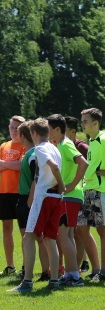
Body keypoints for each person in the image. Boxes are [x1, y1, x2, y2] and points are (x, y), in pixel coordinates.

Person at [10, 118, 65, 293]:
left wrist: (62, 184)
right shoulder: (55, 148)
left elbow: (54, 167)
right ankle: (54, 281)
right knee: (50, 239)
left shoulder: (41, 149)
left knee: (28, 237)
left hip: (44, 196)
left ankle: (27, 282)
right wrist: (61, 188)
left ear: (34, 133)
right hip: (56, 197)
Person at [47, 114, 87, 286]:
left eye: (48, 129)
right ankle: (72, 274)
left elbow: (83, 163)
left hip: (69, 196)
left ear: (57, 129)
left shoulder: (65, 145)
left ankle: (74, 276)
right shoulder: (61, 145)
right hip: (70, 196)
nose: (47, 133)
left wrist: (70, 185)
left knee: (63, 235)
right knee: (68, 235)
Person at [14, 121, 48, 280]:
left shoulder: (33, 154)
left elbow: (37, 176)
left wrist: (30, 199)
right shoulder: (30, 153)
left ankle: (41, 272)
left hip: (28, 199)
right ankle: (36, 271)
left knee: (35, 238)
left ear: (22, 135)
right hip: (26, 198)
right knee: (31, 237)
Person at [75, 108, 105, 282]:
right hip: (88, 190)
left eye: (85, 121)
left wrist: (101, 174)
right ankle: (96, 269)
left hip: (100, 191)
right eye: (82, 121)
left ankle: (102, 273)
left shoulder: (103, 139)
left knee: (102, 231)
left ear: (96, 123)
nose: (82, 124)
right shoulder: (93, 141)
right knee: (81, 229)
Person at [0, 115, 26, 276]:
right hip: (4, 191)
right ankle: (10, 266)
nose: (13, 131)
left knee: (23, 230)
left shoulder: (25, 145)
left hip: (20, 192)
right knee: (6, 229)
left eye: (17, 128)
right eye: (11, 127)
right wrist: (10, 165)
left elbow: (21, 166)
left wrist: (5, 164)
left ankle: (26, 265)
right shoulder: (4, 145)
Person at [65, 116, 92, 273]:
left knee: (80, 230)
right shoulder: (61, 145)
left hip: (80, 192)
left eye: (65, 130)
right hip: (70, 193)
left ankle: (83, 263)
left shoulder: (81, 147)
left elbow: (89, 168)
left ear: (72, 131)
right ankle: (79, 264)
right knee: (74, 230)